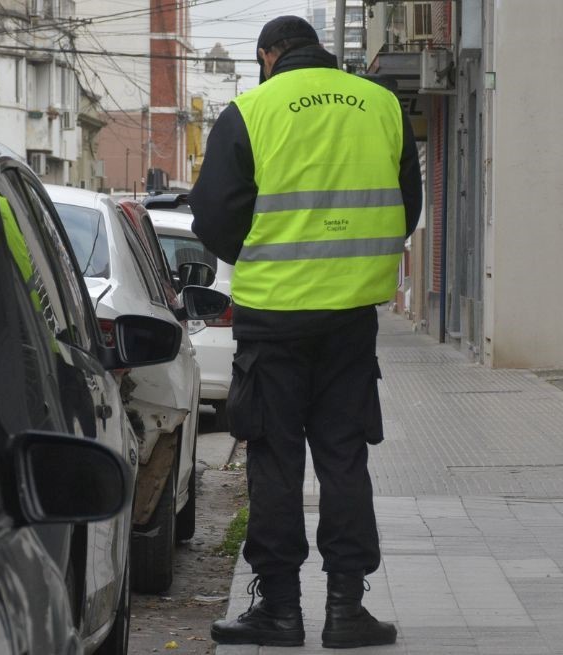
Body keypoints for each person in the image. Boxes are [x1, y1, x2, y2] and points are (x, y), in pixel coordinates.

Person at [190, 15, 421, 649]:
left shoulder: (251, 110)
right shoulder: (381, 105)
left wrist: (264, 253)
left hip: (273, 319)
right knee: (344, 457)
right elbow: (407, 203)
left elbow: (212, 217)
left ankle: (280, 610)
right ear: (318, 51)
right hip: (351, 319)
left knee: (274, 457)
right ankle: (347, 610)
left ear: (268, 55)